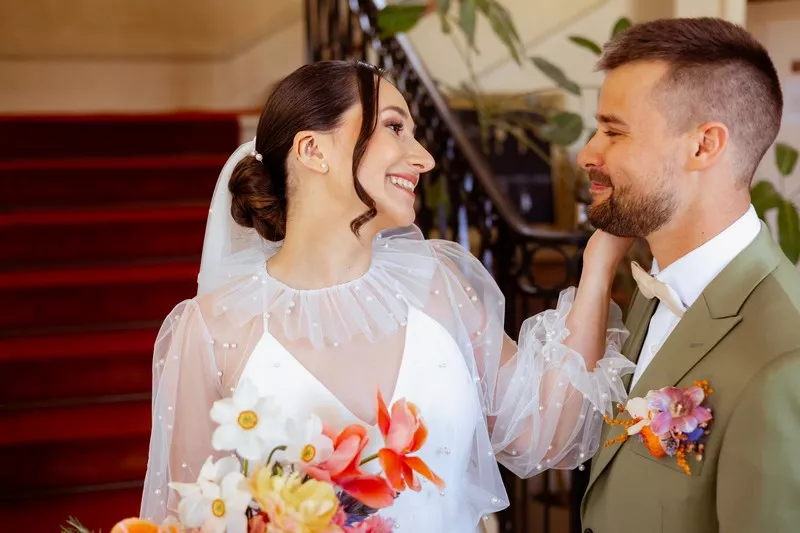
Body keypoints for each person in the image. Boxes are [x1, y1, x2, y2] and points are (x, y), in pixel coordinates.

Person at [139, 60, 635, 532]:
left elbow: (543, 433)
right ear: (313, 151)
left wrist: (599, 262)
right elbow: (191, 516)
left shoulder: (439, 283)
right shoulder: (210, 328)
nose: (424, 158)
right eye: (395, 127)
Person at [579, 17, 800, 533]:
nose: (588, 153)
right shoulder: (656, 284)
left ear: (704, 146)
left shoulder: (784, 359)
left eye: (613, 131)